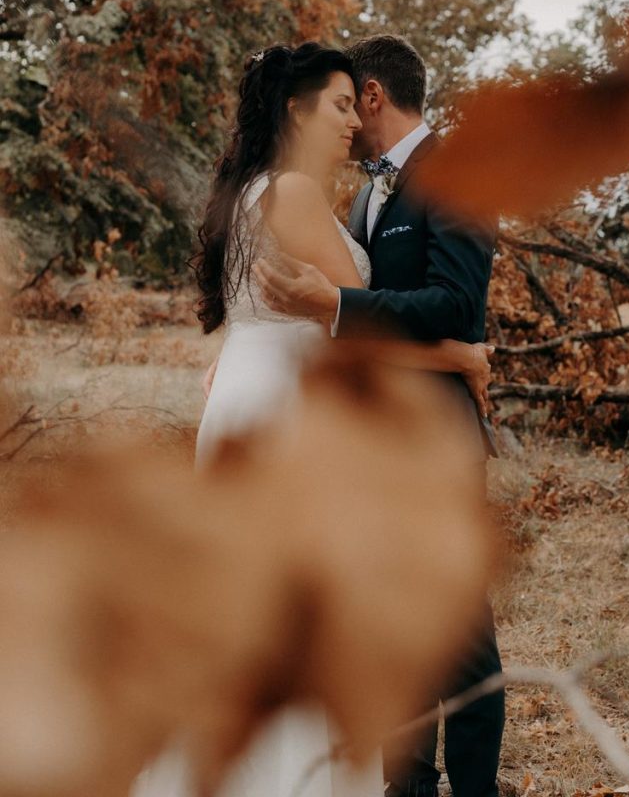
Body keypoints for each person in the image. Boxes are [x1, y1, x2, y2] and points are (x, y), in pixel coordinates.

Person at [137, 42, 492, 797]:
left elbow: (293, 312)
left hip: (256, 398)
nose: (347, 122)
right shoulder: (298, 194)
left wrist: (238, 352)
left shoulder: (261, 190)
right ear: (297, 109)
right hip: (288, 414)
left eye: (351, 104)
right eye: (334, 105)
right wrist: (458, 361)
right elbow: (345, 328)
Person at [255, 35, 505, 797]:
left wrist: (337, 306)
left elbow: (456, 305)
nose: (339, 121)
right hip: (366, 445)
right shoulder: (367, 193)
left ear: (370, 95)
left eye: (343, 101)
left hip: (433, 441)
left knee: (459, 639)